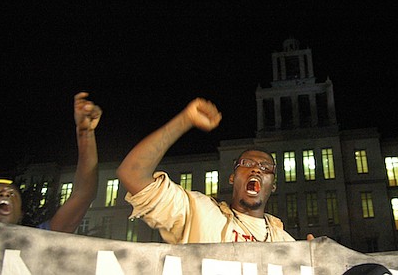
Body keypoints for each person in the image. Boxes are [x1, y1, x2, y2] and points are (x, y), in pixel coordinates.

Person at [117, 97, 296, 243]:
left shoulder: (285, 243)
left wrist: (312, 257)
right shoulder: (198, 212)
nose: (256, 169)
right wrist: (185, 120)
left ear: (273, 186)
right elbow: (133, 173)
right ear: (232, 178)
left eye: (265, 168)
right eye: (247, 164)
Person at [0, 92, 102, 233]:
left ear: (21, 214)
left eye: (12, 194)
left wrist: (85, 133)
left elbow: (83, 195)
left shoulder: (37, 240)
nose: (5, 194)